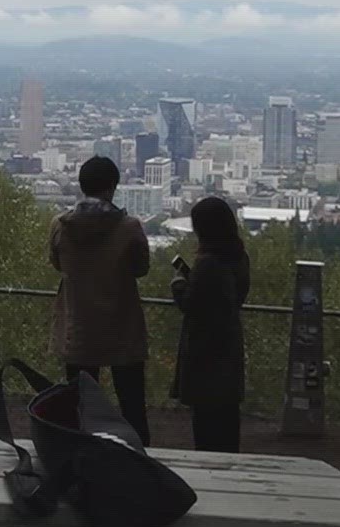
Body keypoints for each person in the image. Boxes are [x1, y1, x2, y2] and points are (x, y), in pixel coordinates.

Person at [51, 156, 154, 445]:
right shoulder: (129, 228)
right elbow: (141, 269)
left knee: (80, 407)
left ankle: (80, 464)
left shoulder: (61, 226)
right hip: (122, 327)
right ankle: (138, 464)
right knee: (132, 405)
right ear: (113, 187)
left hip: (78, 327)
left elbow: (57, 264)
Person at [169, 197, 252, 453]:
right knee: (226, 418)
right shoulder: (239, 256)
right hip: (228, 343)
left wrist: (179, 285)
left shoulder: (207, 262)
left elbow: (192, 304)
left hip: (204, 349)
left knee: (205, 421)